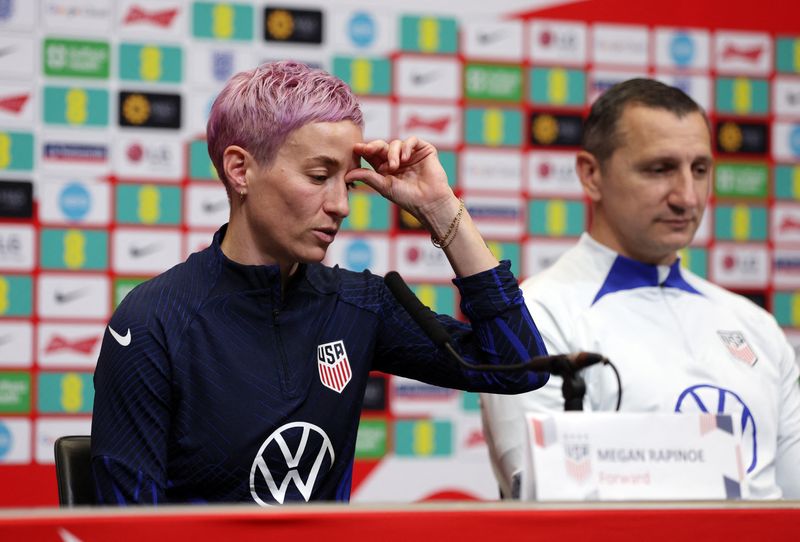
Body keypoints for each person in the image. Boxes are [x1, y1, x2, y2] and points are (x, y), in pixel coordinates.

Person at [90, 60, 549, 505]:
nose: (340, 206)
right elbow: (127, 529)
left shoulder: (358, 304)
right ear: (239, 169)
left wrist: (440, 209)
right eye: (317, 176)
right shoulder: (153, 322)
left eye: (347, 184)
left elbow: (520, 366)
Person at [480, 78, 800, 500]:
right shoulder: (533, 319)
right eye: (660, 169)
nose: (687, 197)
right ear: (591, 175)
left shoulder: (755, 325)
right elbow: (547, 511)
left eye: (700, 170)